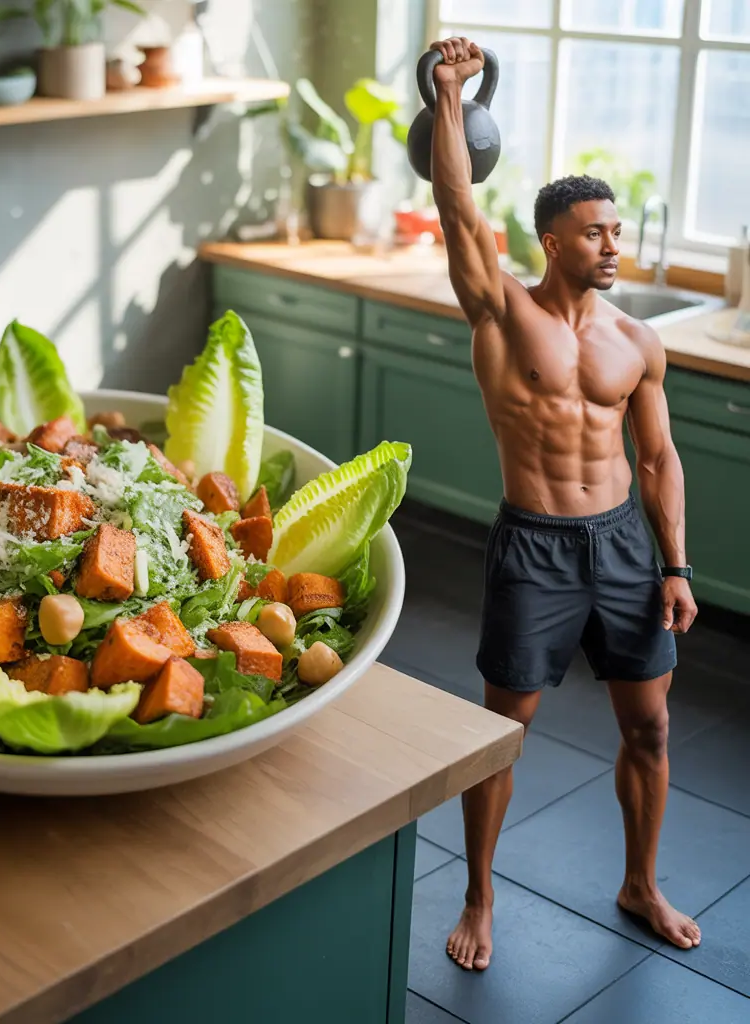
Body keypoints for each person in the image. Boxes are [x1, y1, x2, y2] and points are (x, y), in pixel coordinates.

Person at [425, 36, 702, 972]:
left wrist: (675, 566)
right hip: (535, 545)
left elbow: (658, 457)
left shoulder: (638, 341)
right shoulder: (502, 314)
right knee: (504, 734)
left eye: (616, 232)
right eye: (594, 232)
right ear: (550, 240)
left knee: (651, 725)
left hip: (623, 545)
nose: (612, 245)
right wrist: (450, 95)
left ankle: (641, 884)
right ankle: (479, 895)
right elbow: (459, 208)